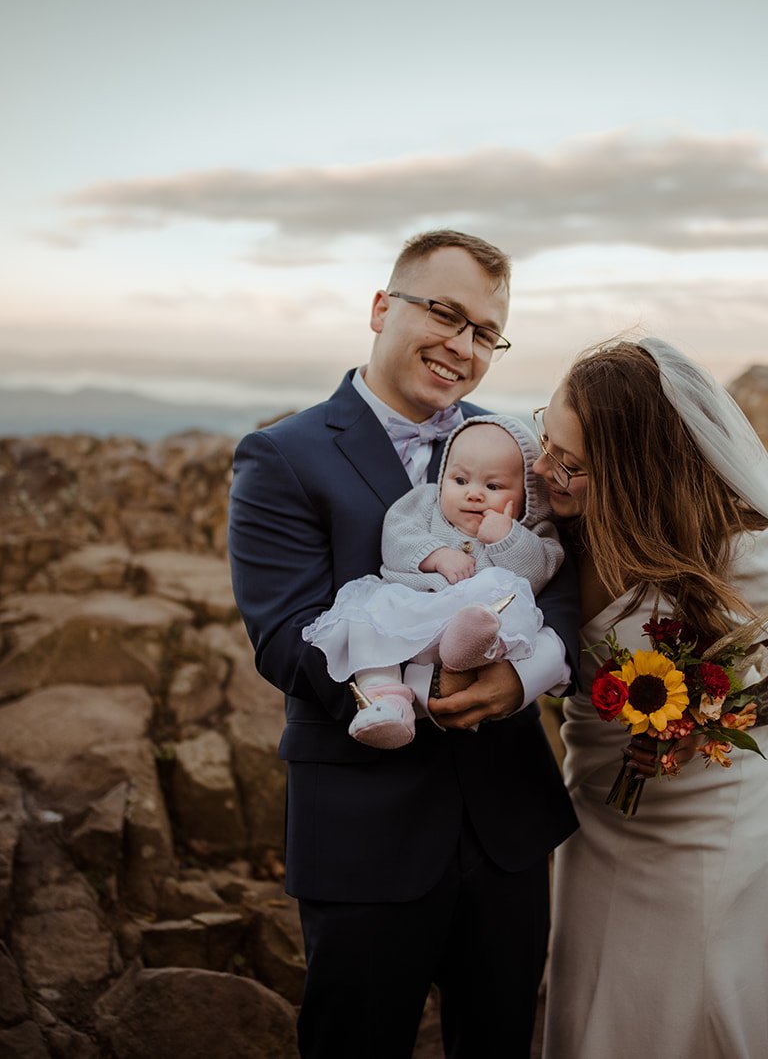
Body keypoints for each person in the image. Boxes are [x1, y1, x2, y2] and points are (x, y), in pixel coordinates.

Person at [227, 229, 579, 1059]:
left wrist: (520, 680)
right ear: (383, 308)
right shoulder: (283, 455)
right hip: (364, 823)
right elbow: (283, 637)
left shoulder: (518, 450)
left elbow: (565, 582)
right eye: (445, 315)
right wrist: (422, 677)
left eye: (485, 332)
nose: (463, 346)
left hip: (506, 819)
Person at [535, 337, 768, 1059]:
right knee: (591, 993)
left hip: (709, 819)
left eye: (571, 462)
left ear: (633, 474)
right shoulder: (554, 521)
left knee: (700, 1001)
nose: (542, 468)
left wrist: (713, 717)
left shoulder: (741, 550)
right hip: (595, 807)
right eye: (544, 437)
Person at [301, 414, 564, 749]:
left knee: (504, 591)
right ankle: (386, 701)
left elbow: (539, 573)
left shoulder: (534, 532)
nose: (473, 495)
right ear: (443, 478)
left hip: (472, 627)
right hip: (413, 611)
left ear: (528, 495)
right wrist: (435, 555)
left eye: (493, 486)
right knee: (366, 617)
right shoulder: (425, 503)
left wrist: (507, 537)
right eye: (460, 480)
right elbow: (397, 535)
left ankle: (468, 647)